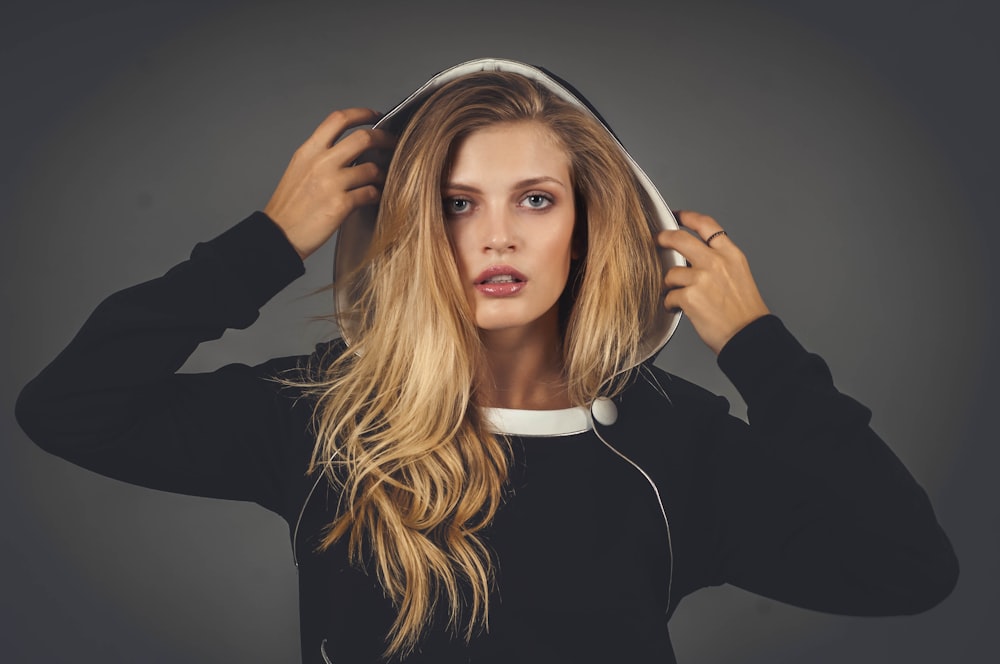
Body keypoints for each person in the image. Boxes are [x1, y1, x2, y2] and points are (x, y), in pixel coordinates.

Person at [15, 58, 958, 663]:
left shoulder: (676, 444)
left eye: (536, 200)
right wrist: (266, 241)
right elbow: (69, 409)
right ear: (417, 224)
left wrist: (761, 350)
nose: (496, 237)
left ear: (587, 227)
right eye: (459, 203)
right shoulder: (326, 420)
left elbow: (910, 572)